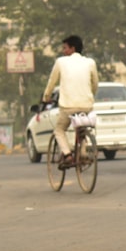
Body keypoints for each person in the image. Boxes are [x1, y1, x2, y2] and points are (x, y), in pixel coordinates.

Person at [42, 34, 98, 169]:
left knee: (59, 130)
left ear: (72, 48)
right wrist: (90, 95)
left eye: (65, 48)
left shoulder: (61, 62)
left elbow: (52, 81)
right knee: (82, 129)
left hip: (68, 106)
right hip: (86, 105)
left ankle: (67, 155)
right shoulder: (90, 62)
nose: (63, 51)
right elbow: (95, 83)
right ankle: (83, 153)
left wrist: (46, 96)